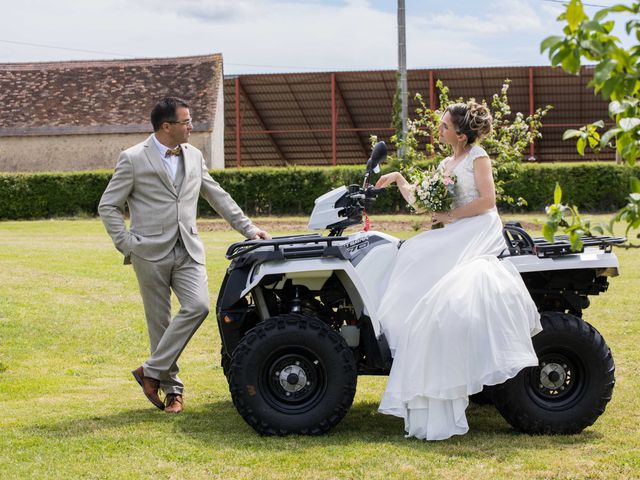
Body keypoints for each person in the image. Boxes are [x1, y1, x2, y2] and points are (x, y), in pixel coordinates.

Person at [374, 101, 542, 440]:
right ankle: (403, 328)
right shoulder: (446, 162)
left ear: (462, 135)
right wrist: (398, 178)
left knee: (420, 253)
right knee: (412, 250)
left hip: (478, 227)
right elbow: (423, 202)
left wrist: (451, 217)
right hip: (456, 227)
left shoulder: (478, 157)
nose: (439, 130)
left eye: (444, 126)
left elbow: (487, 202)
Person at [99, 97, 270, 414]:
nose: (192, 126)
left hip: (189, 248)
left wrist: (249, 229)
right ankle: (173, 393)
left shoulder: (194, 155)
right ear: (167, 126)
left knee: (198, 306)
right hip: (148, 251)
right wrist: (127, 244)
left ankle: (149, 371)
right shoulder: (133, 158)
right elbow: (108, 205)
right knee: (160, 324)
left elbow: (217, 195)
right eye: (186, 121)